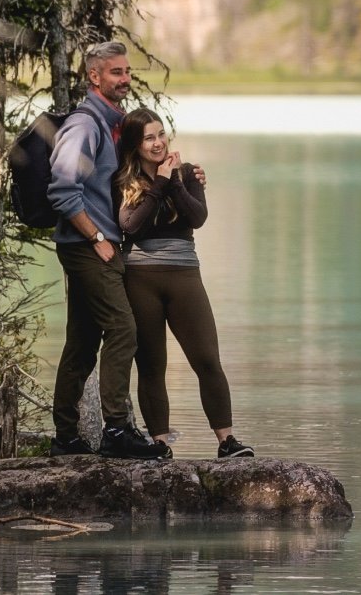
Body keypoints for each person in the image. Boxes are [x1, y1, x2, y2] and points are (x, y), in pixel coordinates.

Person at [46, 42, 167, 458]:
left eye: (127, 72)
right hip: (88, 248)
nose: (125, 80)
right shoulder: (84, 125)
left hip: (96, 246)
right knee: (123, 330)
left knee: (81, 344)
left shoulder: (112, 124)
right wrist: (97, 239)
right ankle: (117, 431)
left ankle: (65, 438)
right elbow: (63, 191)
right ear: (94, 76)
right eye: (116, 72)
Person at [115, 107, 255, 459]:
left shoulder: (188, 173)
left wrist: (174, 180)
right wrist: (159, 183)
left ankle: (227, 441)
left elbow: (198, 217)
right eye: (149, 137)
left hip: (184, 277)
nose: (159, 142)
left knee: (207, 359)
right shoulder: (124, 181)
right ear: (135, 144)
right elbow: (132, 228)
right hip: (140, 279)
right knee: (151, 365)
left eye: (161, 134)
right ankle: (160, 444)